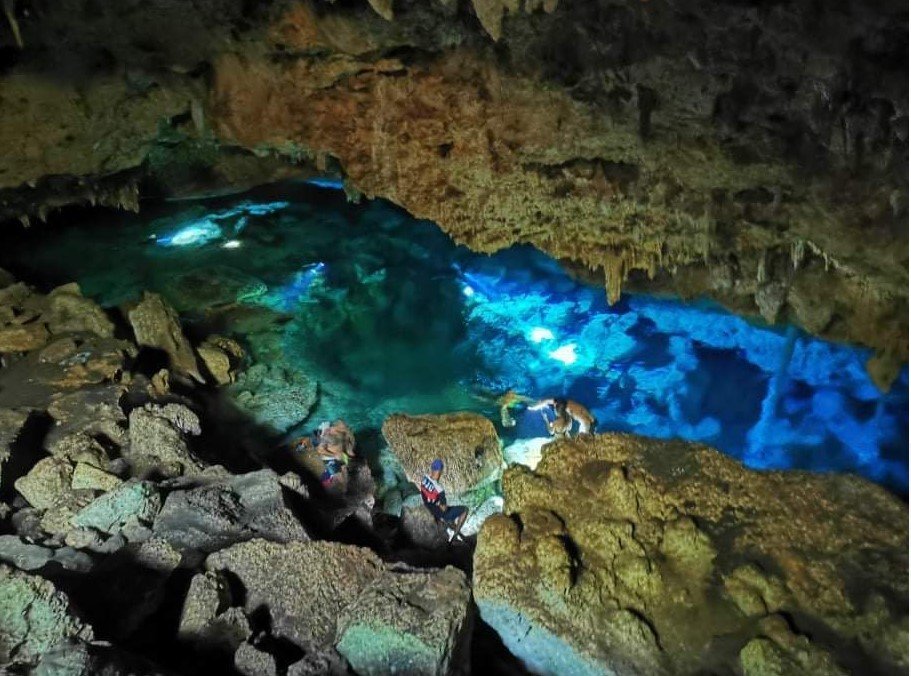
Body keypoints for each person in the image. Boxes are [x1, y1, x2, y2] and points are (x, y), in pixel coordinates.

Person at [419, 459, 467, 542]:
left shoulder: (424, 479)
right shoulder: (440, 490)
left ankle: (453, 528)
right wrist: (442, 505)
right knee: (465, 510)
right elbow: (444, 509)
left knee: (450, 511)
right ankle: (455, 537)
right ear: (441, 471)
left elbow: (425, 494)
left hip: (429, 507)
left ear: (432, 468)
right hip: (439, 514)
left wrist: (436, 502)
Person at [530, 397, 596, 437]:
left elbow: (587, 421)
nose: (554, 408)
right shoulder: (563, 404)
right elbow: (549, 401)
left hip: (587, 421)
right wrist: (536, 406)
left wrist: (546, 420)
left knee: (586, 428)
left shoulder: (571, 412)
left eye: (555, 408)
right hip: (587, 416)